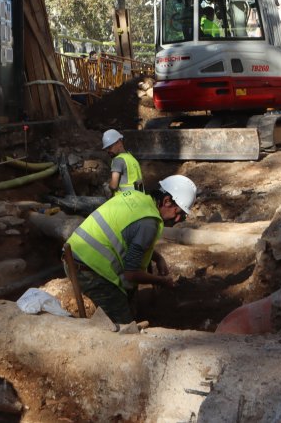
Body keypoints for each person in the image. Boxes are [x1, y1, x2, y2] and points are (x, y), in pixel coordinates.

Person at [64, 175, 199, 326]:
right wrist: (161, 281)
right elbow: (131, 274)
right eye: (178, 212)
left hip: (80, 255)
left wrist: (158, 258)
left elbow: (130, 239)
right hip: (86, 268)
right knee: (125, 329)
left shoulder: (138, 198)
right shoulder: (149, 223)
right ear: (166, 201)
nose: (177, 220)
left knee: (130, 298)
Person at [102, 128, 143, 193]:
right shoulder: (131, 158)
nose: (108, 151)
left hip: (125, 200)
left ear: (119, 142)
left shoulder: (117, 160)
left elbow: (113, 186)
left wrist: (107, 186)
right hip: (138, 198)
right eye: (106, 149)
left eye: (109, 147)